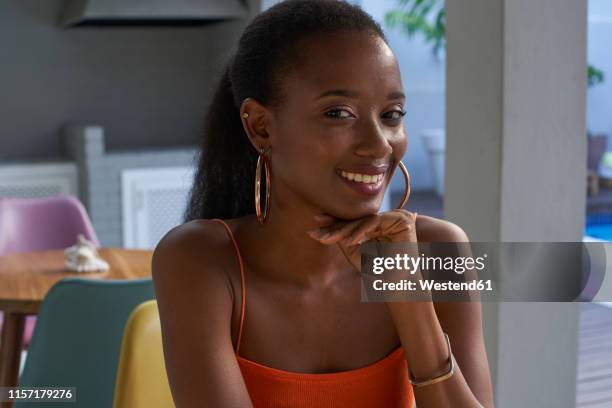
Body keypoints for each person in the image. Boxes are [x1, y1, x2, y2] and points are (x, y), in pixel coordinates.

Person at [152, 1, 494, 407]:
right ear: (261, 126)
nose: (379, 143)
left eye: (392, 114)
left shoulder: (440, 251)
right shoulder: (201, 261)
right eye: (339, 113)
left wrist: (410, 301)